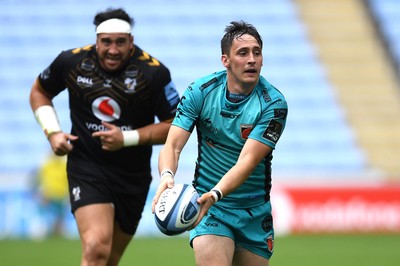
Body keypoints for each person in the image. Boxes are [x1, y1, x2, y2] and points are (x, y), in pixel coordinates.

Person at [29, 8, 179, 265]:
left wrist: (127, 138)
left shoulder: (153, 73)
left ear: (131, 42)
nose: (113, 49)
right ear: (96, 41)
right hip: (87, 166)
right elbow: (39, 91)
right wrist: (52, 132)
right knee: (96, 248)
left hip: (133, 175)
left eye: (120, 42)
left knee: (110, 258)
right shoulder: (72, 62)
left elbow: (173, 126)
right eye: (106, 42)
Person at [152, 21, 288, 266]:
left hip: (253, 211)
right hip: (208, 206)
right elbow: (172, 145)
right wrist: (166, 175)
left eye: (257, 52)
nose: (252, 59)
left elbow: (247, 162)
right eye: (243, 53)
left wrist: (217, 193)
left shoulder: (273, 104)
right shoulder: (200, 92)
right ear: (225, 60)